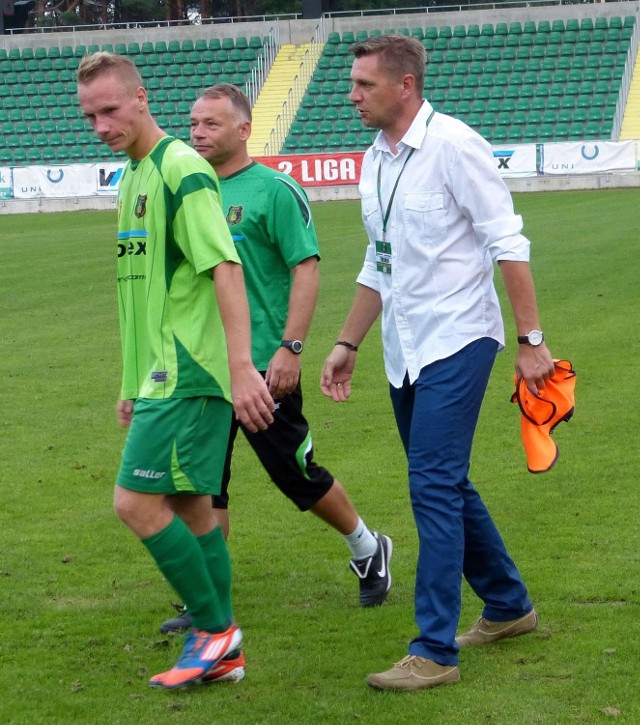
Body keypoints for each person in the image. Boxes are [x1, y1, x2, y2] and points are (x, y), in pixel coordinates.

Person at [320, 35, 555, 692]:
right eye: (352, 82)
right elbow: (380, 260)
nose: (352, 95)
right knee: (448, 482)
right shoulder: (375, 160)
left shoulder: (454, 145)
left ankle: (434, 650)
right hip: (405, 346)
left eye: (364, 84)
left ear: (406, 86)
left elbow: (507, 241)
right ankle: (508, 606)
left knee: (431, 485)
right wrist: (348, 341)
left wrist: (531, 338)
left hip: (460, 336)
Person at [159, 82, 393, 638]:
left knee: (295, 474)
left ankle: (367, 546)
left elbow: (305, 267)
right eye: (193, 124)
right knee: (200, 484)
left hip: (262, 365)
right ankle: (208, 597)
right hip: (199, 367)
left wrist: (289, 348)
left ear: (243, 130)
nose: (197, 133)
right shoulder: (184, 191)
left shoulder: (274, 190)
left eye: (211, 124)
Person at [77, 53, 275, 690]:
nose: (101, 123)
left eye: (110, 109)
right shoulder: (133, 176)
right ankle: (224, 648)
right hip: (160, 376)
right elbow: (146, 293)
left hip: (189, 373)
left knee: (134, 503)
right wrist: (132, 380)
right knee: (192, 506)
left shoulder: (181, 168)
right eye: (90, 115)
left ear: (140, 98)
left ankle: (215, 633)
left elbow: (226, 268)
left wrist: (242, 366)